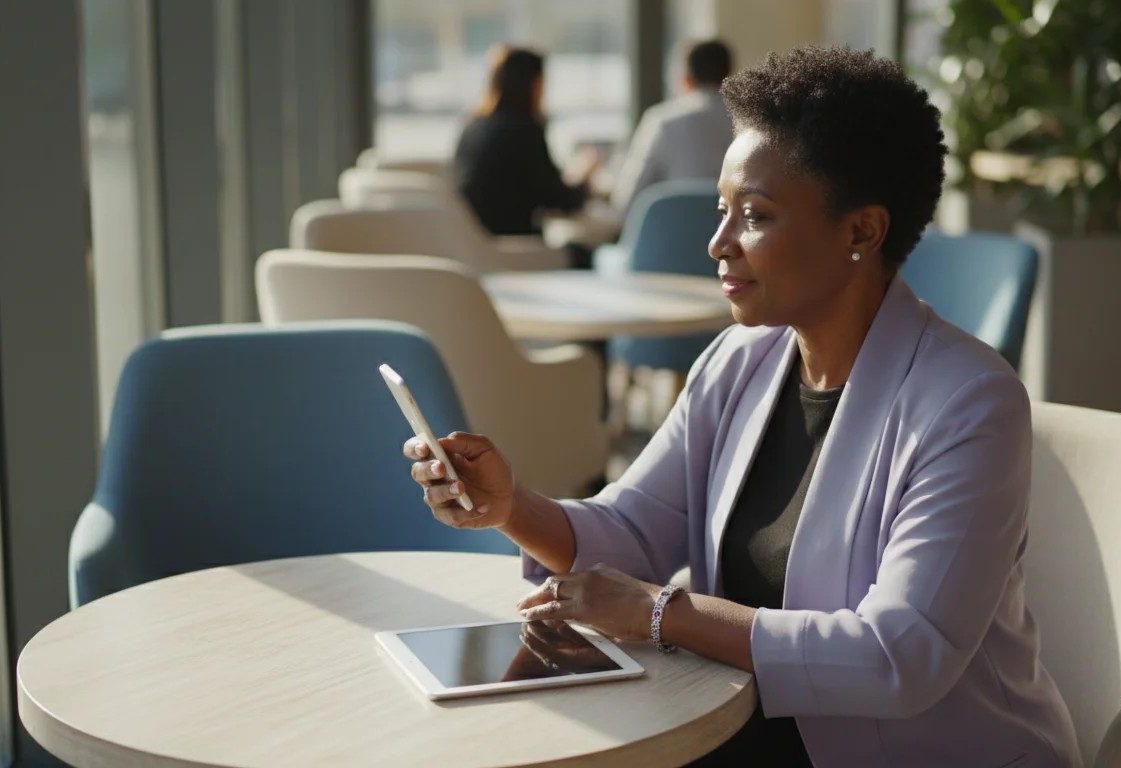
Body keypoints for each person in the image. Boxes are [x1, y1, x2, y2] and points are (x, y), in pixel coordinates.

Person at [405, 46, 1081, 767]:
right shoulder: (740, 361)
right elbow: (636, 528)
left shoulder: (968, 403)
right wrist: (511, 507)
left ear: (862, 231)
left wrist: (662, 612)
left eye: (754, 216)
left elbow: (901, 654)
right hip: (745, 736)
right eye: (722, 210)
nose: (718, 243)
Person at [451, 46, 600, 237]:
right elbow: (562, 201)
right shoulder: (523, 129)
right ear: (535, 84)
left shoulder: (473, 125)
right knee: (588, 252)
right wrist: (585, 176)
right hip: (512, 242)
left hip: (472, 240)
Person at [609, 39, 735, 213]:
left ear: (685, 80)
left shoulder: (663, 121)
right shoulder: (753, 123)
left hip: (674, 237)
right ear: (731, 75)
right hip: (736, 236)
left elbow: (625, 200)